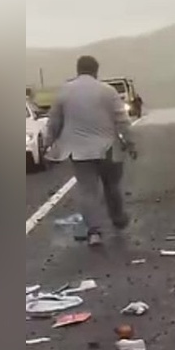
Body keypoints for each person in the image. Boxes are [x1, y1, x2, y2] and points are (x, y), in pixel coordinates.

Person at [45, 55, 137, 246]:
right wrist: (130, 143)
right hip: (109, 148)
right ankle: (118, 219)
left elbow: (54, 122)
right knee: (112, 186)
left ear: (78, 69)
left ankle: (94, 232)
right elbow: (122, 120)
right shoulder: (108, 91)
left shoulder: (65, 92)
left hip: (79, 151)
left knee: (88, 191)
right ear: (96, 70)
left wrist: (48, 144)